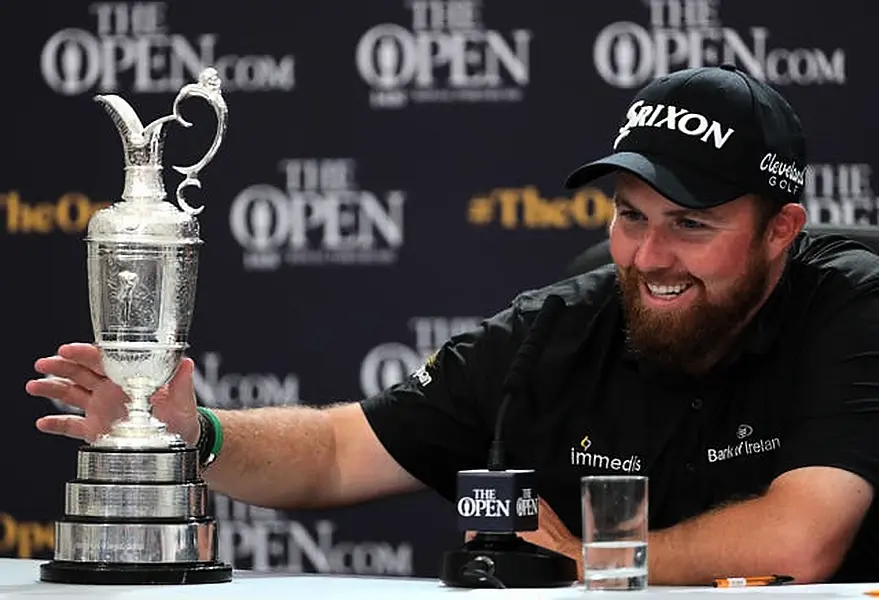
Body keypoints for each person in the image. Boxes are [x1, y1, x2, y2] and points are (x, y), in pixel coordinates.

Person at [26, 64, 879, 585]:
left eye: (690, 224)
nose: (649, 255)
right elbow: (335, 453)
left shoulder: (854, 307)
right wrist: (192, 429)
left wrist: (588, 560)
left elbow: (801, 539)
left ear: (781, 232)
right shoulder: (559, 327)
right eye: (628, 215)